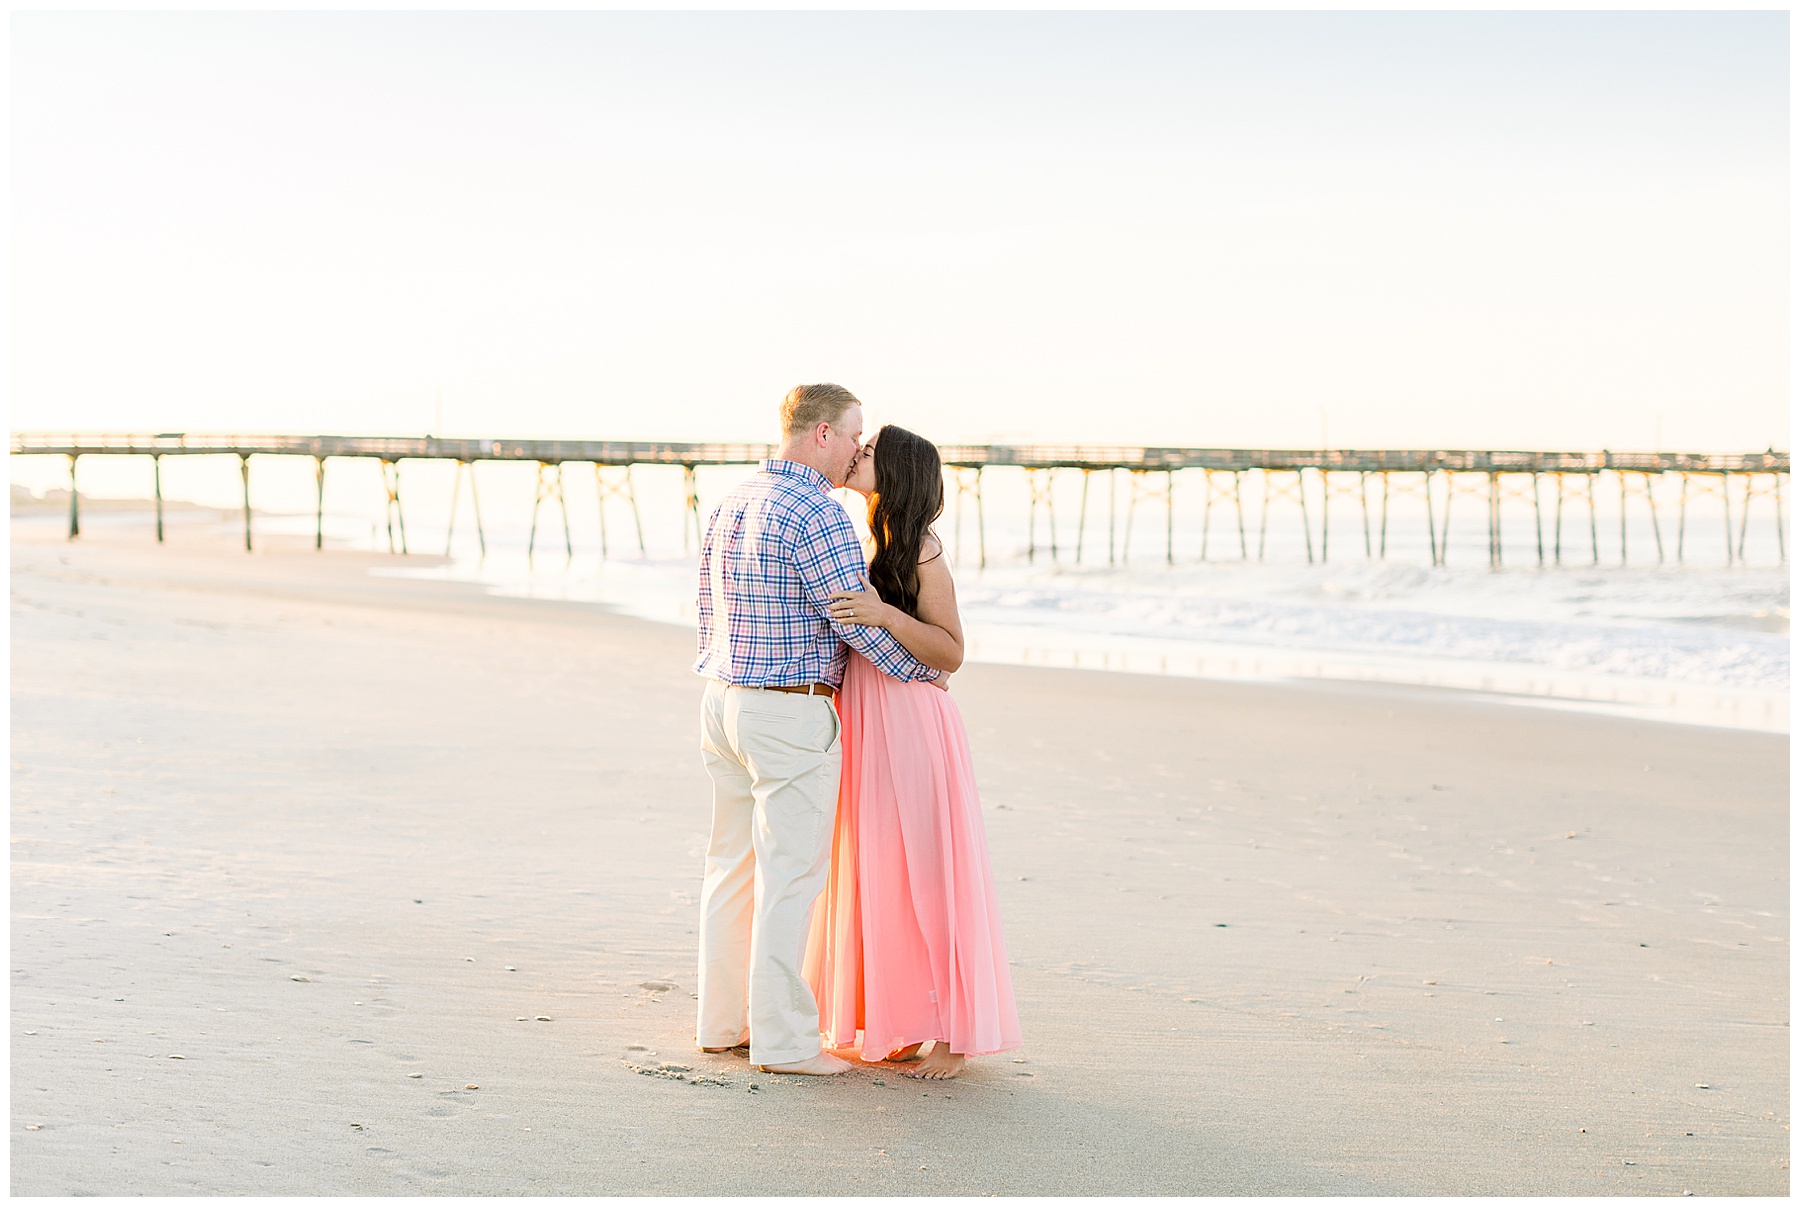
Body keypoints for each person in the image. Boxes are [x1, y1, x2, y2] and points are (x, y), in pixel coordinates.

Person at [693, 384, 942, 1077]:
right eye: (857, 437)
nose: (863, 451)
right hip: (787, 709)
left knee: (730, 868)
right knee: (790, 877)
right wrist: (923, 673)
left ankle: (722, 1024)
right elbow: (853, 619)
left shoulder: (732, 500)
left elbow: (707, 610)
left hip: (721, 700)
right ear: (823, 433)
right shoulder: (819, 514)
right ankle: (784, 1043)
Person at [805, 424, 1023, 1080]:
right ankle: (898, 1018)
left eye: (869, 451)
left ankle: (956, 1035)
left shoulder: (920, 547)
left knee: (932, 873)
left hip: (914, 723)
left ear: (894, 470)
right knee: (879, 870)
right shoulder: (865, 534)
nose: (856, 453)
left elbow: (952, 650)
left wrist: (885, 615)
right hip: (870, 719)